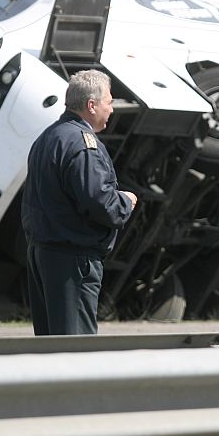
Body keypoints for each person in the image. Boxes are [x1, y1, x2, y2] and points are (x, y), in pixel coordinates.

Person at [21, 69, 137, 337]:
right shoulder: (83, 145)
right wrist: (126, 202)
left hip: (44, 252)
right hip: (72, 260)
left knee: (51, 342)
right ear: (91, 105)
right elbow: (99, 202)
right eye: (109, 102)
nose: (112, 109)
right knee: (75, 346)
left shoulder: (49, 137)